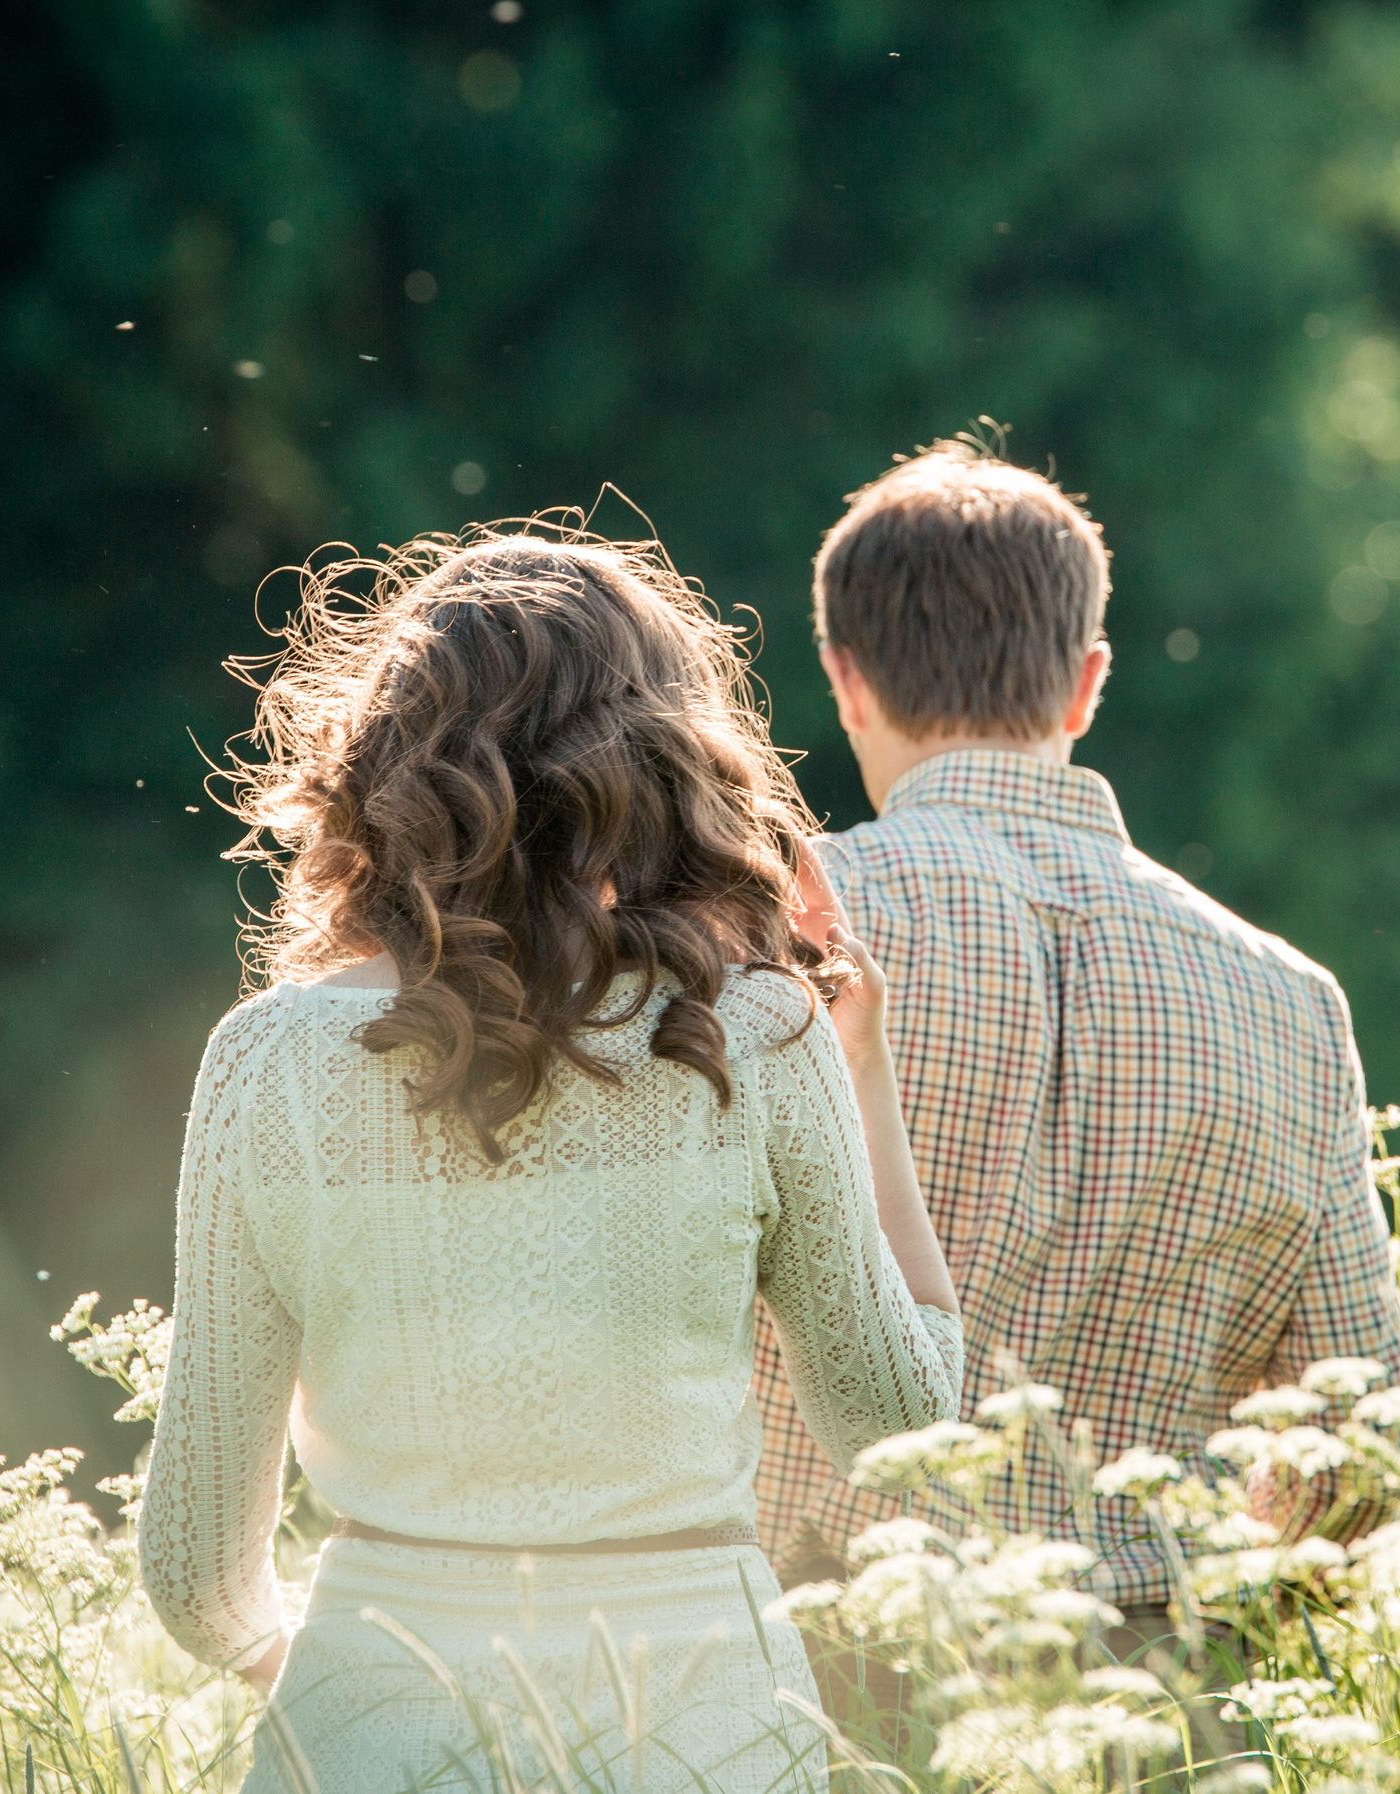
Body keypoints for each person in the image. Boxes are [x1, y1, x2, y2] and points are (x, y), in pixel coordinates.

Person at [138, 528, 964, 1793]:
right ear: (664, 758)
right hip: (701, 1736)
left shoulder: (268, 1063)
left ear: (383, 764)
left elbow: (196, 1570)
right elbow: (903, 1428)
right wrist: (864, 1069)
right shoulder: (758, 1036)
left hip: (368, 1733)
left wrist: (334, 1672)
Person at [754, 439, 1400, 1631]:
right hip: (1156, 1707)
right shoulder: (1295, 1001)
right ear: (1087, 682)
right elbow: (1365, 1446)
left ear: (844, 680)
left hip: (811, 1680)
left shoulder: (779, 932)